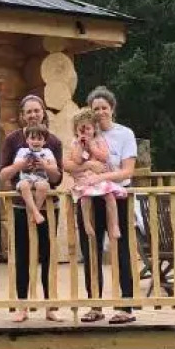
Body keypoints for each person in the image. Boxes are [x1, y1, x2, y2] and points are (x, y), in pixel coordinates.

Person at [64, 85, 138, 324]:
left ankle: (125, 307)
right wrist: (87, 168)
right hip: (89, 197)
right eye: (96, 108)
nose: (100, 112)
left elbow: (127, 170)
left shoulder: (124, 134)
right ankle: (95, 305)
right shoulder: (84, 132)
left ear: (112, 109)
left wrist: (101, 177)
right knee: (90, 250)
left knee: (122, 250)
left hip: (116, 196)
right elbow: (68, 164)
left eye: (104, 107)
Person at [0, 95, 64, 322]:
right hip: (20, 206)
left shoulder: (53, 142)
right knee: (23, 256)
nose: (33, 115)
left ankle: (50, 307)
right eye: (29, 112)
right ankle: (22, 306)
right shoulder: (12, 140)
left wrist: (46, 166)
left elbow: (58, 178)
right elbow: (3, 175)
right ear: (22, 116)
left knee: (47, 255)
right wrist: (20, 165)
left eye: (37, 110)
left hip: (48, 208)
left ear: (43, 112)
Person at [69, 106, 125, 244]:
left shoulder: (99, 140)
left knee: (110, 196)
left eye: (88, 129)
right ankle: (87, 224)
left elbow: (105, 156)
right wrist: (81, 146)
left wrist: (92, 147)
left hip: (100, 178)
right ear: (76, 130)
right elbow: (76, 160)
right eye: (81, 129)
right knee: (85, 197)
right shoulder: (75, 143)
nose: (85, 132)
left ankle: (114, 225)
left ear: (94, 129)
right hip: (86, 178)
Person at [13, 124, 58, 221]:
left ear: (44, 141)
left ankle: (35, 212)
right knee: (24, 185)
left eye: (39, 139)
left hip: (41, 179)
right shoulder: (22, 151)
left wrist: (44, 165)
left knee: (43, 186)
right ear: (27, 140)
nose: (36, 141)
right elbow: (16, 164)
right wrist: (25, 163)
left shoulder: (47, 152)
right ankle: (36, 212)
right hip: (26, 179)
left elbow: (54, 167)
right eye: (33, 138)